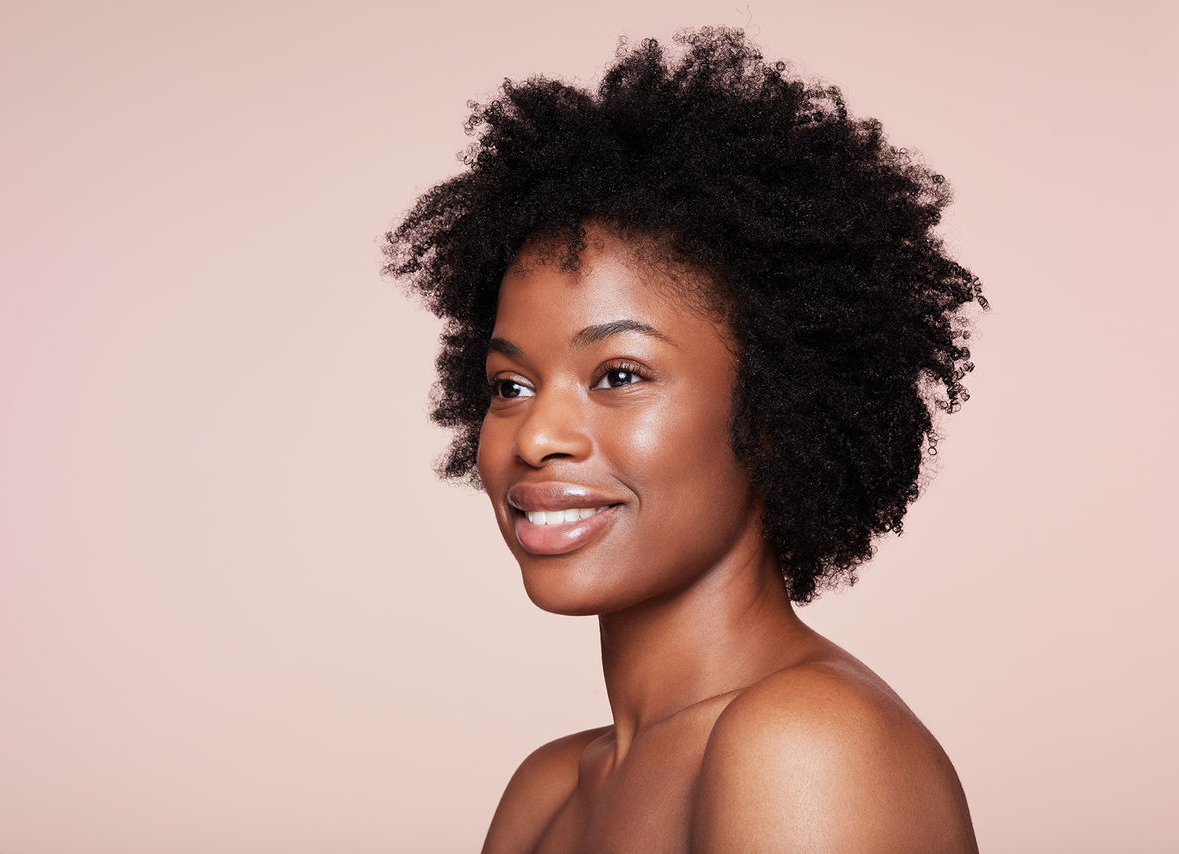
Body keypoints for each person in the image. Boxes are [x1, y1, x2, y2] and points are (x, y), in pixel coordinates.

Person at [384, 27, 986, 853]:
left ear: (774, 405)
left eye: (619, 375)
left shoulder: (808, 744)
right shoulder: (549, 792)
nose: (538, 436)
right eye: (510, 386)